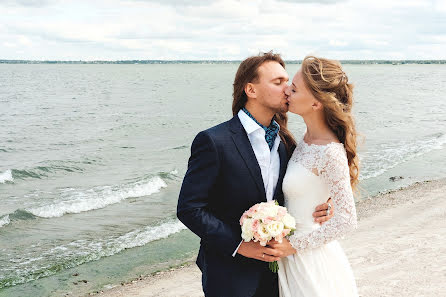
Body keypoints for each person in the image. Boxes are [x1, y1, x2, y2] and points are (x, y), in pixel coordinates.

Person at [177, 52, 334, 297]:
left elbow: (299, 186)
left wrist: (324, 205)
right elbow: (189, 208)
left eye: (289, 83)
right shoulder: (213, 141)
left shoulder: (287, 142)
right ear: (251, 90)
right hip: (229, 273)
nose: (288, 89)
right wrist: (239, 245)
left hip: (279, 270)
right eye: (278, 82)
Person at [273, 56, 359, 297]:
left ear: (315, 104)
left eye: (295, 88)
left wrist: (292, 246)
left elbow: (347, 220)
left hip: (309, 260)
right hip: (293, 257)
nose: (287, 90)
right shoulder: (305, 140)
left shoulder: (330, 151)